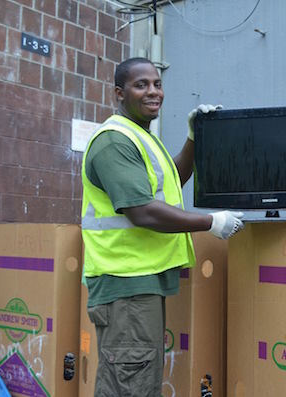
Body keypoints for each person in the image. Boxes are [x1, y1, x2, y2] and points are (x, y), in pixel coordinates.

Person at [81, 57, 244, 397]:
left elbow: (173, 179)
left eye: (157, 84)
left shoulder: (142, 137)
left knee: (140, 382)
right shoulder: (114, 142)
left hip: (140, 284)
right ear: (119, 93)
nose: (153, 91)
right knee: (131, 387)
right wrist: (210, 222)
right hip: (124, 286)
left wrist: (194, 138)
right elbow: (142, 211)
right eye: (141, 85)